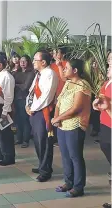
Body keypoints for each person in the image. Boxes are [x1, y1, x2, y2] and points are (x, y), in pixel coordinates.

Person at [52, 59, 91, 198]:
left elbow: (76, 108)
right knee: (65, 156)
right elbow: (59, 102)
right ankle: (68, 182)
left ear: (75, 71)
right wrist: (57, 118)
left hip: (75, 125)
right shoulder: (68, 83)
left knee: (75, 156)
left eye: (66, 68)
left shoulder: (82, 85)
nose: (63, 70)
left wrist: (58, 118)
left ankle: (78, 186)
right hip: (62, 125)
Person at [26, 50, 58, 182]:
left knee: (44, 141)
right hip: (34, 111)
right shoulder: (39, 74)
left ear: (43, 62)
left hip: (43, 111)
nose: (33, 62)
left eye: (35, 59)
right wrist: (27, 105)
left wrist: (32, 108)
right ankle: (42, 165)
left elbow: (46, 97)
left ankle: (45, 171)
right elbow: (31, 91)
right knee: (38, 141)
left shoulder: (50, 74)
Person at [92, 53, 111, 208]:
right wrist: (97, 104)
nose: (109, 63)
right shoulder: (107, 82)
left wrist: (108, 108)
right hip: (105, 126)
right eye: (109, 60)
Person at [13, 55, 35, 148]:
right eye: (21, 61)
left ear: (28, 62)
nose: (22, 63)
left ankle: (26, 140)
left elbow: (26, 87)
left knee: (25, 120)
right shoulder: (16, 72)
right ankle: (19, 138)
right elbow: (11, 83)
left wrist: (16, 84)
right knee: (17, 119)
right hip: (16, 98)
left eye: (24, 61)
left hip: (24, 99)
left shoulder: (31, 73)